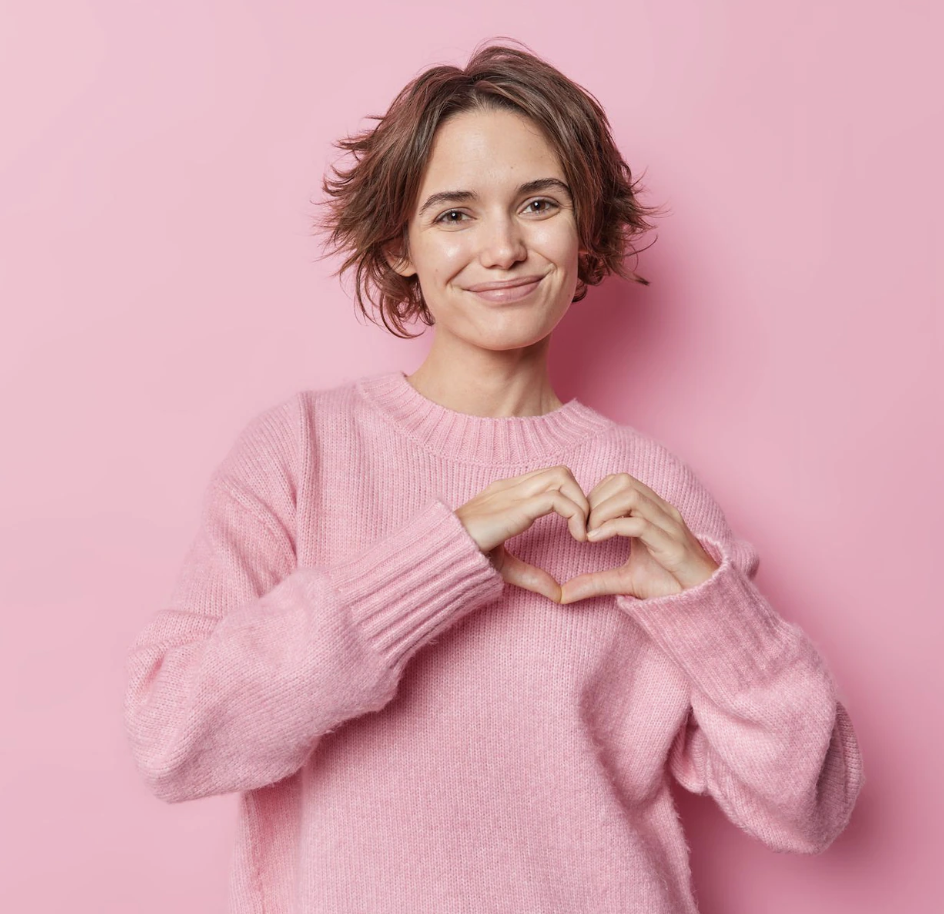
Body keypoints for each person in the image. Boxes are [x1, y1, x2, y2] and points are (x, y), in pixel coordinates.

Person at [123, 37, 864, 914]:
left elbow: (810, 805)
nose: (504, 248)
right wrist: (439, 560)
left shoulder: (646, 486)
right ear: (400, 245)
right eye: (454, 214)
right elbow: (174, 739)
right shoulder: (302, 450)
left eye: (539, 203)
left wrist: (714, 606)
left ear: (584, 228)